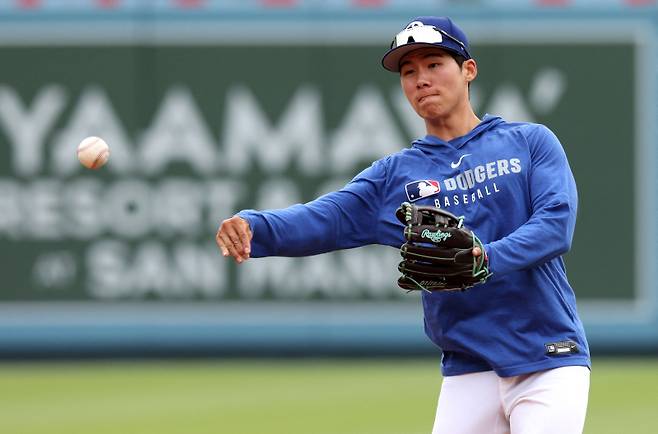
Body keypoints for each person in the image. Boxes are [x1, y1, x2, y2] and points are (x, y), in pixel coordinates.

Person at [216, 16, 590, 434]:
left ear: (468, 70)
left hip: (547, 357)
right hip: (469, 366)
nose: (420, 79)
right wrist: (254, 225)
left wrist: (482, 258)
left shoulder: (529, 142)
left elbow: (555, 225)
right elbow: (329, 217)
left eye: (433, 64)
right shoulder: (396, 176)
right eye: (408, 72)